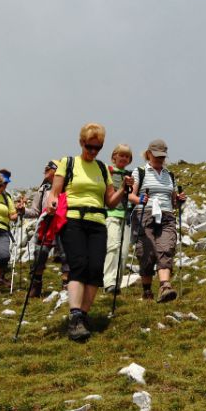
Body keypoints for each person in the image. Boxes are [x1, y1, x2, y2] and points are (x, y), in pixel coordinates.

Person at [48, 123, 132, 341]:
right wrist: (51, 204)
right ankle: (75, 316)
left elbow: (110, 202)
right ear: (81, 143)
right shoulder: (68, 163)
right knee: (79, 265)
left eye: (98, 147)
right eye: (90, 146)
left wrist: (124, 189)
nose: (93, 151)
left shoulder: (103, 169)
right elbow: (54, 194)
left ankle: (83, 316)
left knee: (95, 269)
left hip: (97, 221)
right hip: (73, 220)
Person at [129, 140, 187, 302]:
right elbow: (130, 195)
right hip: (145, 213)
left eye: (162, 156)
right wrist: (140, 199)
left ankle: (165, 286)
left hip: (167, 215)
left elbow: (173, 200)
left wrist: (179, 200)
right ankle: (147, 291)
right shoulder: (139, 172)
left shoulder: (169, 175)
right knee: (146, 252)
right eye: (156, 156)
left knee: (166, 247)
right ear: (149, 154)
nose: (160, 159)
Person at [22, 161, 68, 297]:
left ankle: (67, 284)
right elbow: (35, 211)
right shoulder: (43, 189)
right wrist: (22, 210)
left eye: (50, 167)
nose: (46, 168)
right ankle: (36, 285)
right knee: (39, 255)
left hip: (63, 224)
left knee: (66, 256)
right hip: (46, 225)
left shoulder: (68, 188)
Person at [103, 145, 135, 293]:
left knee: (123, 253)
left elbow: (133, 195)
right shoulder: (107, 172)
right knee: (113, 248)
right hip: (111, 214)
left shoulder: (130, 175)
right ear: (114, 156)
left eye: (126, 156)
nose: (123, 158)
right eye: (121, 155)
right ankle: (109, 282)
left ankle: (117, 284)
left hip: (126, 217)